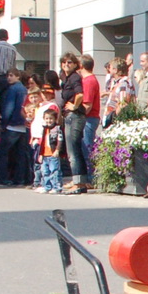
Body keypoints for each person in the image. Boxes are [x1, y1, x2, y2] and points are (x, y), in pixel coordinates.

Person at [0, 69, 30, 187]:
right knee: (20, 154)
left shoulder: (12, 89)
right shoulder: (24, 89)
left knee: (2, 152)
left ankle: (2, 178)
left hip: (12, 125)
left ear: (18, 77)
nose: (8, 78)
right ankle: (20, 179)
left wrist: (4, 124)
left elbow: (9, 107)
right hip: (23, 125)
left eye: (11, 75)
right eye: (8, 76)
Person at [57, 53, 89, 193]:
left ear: (76, 64)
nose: (66, 65)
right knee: (75, 150)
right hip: (71, 116)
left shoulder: (74, 77)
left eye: (69, 62)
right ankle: (80, 181)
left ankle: (78, 183)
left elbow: (80, 94)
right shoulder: (67, 78)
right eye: (64, 63)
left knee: (73, 152)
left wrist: (75, 106)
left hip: (74, 115)